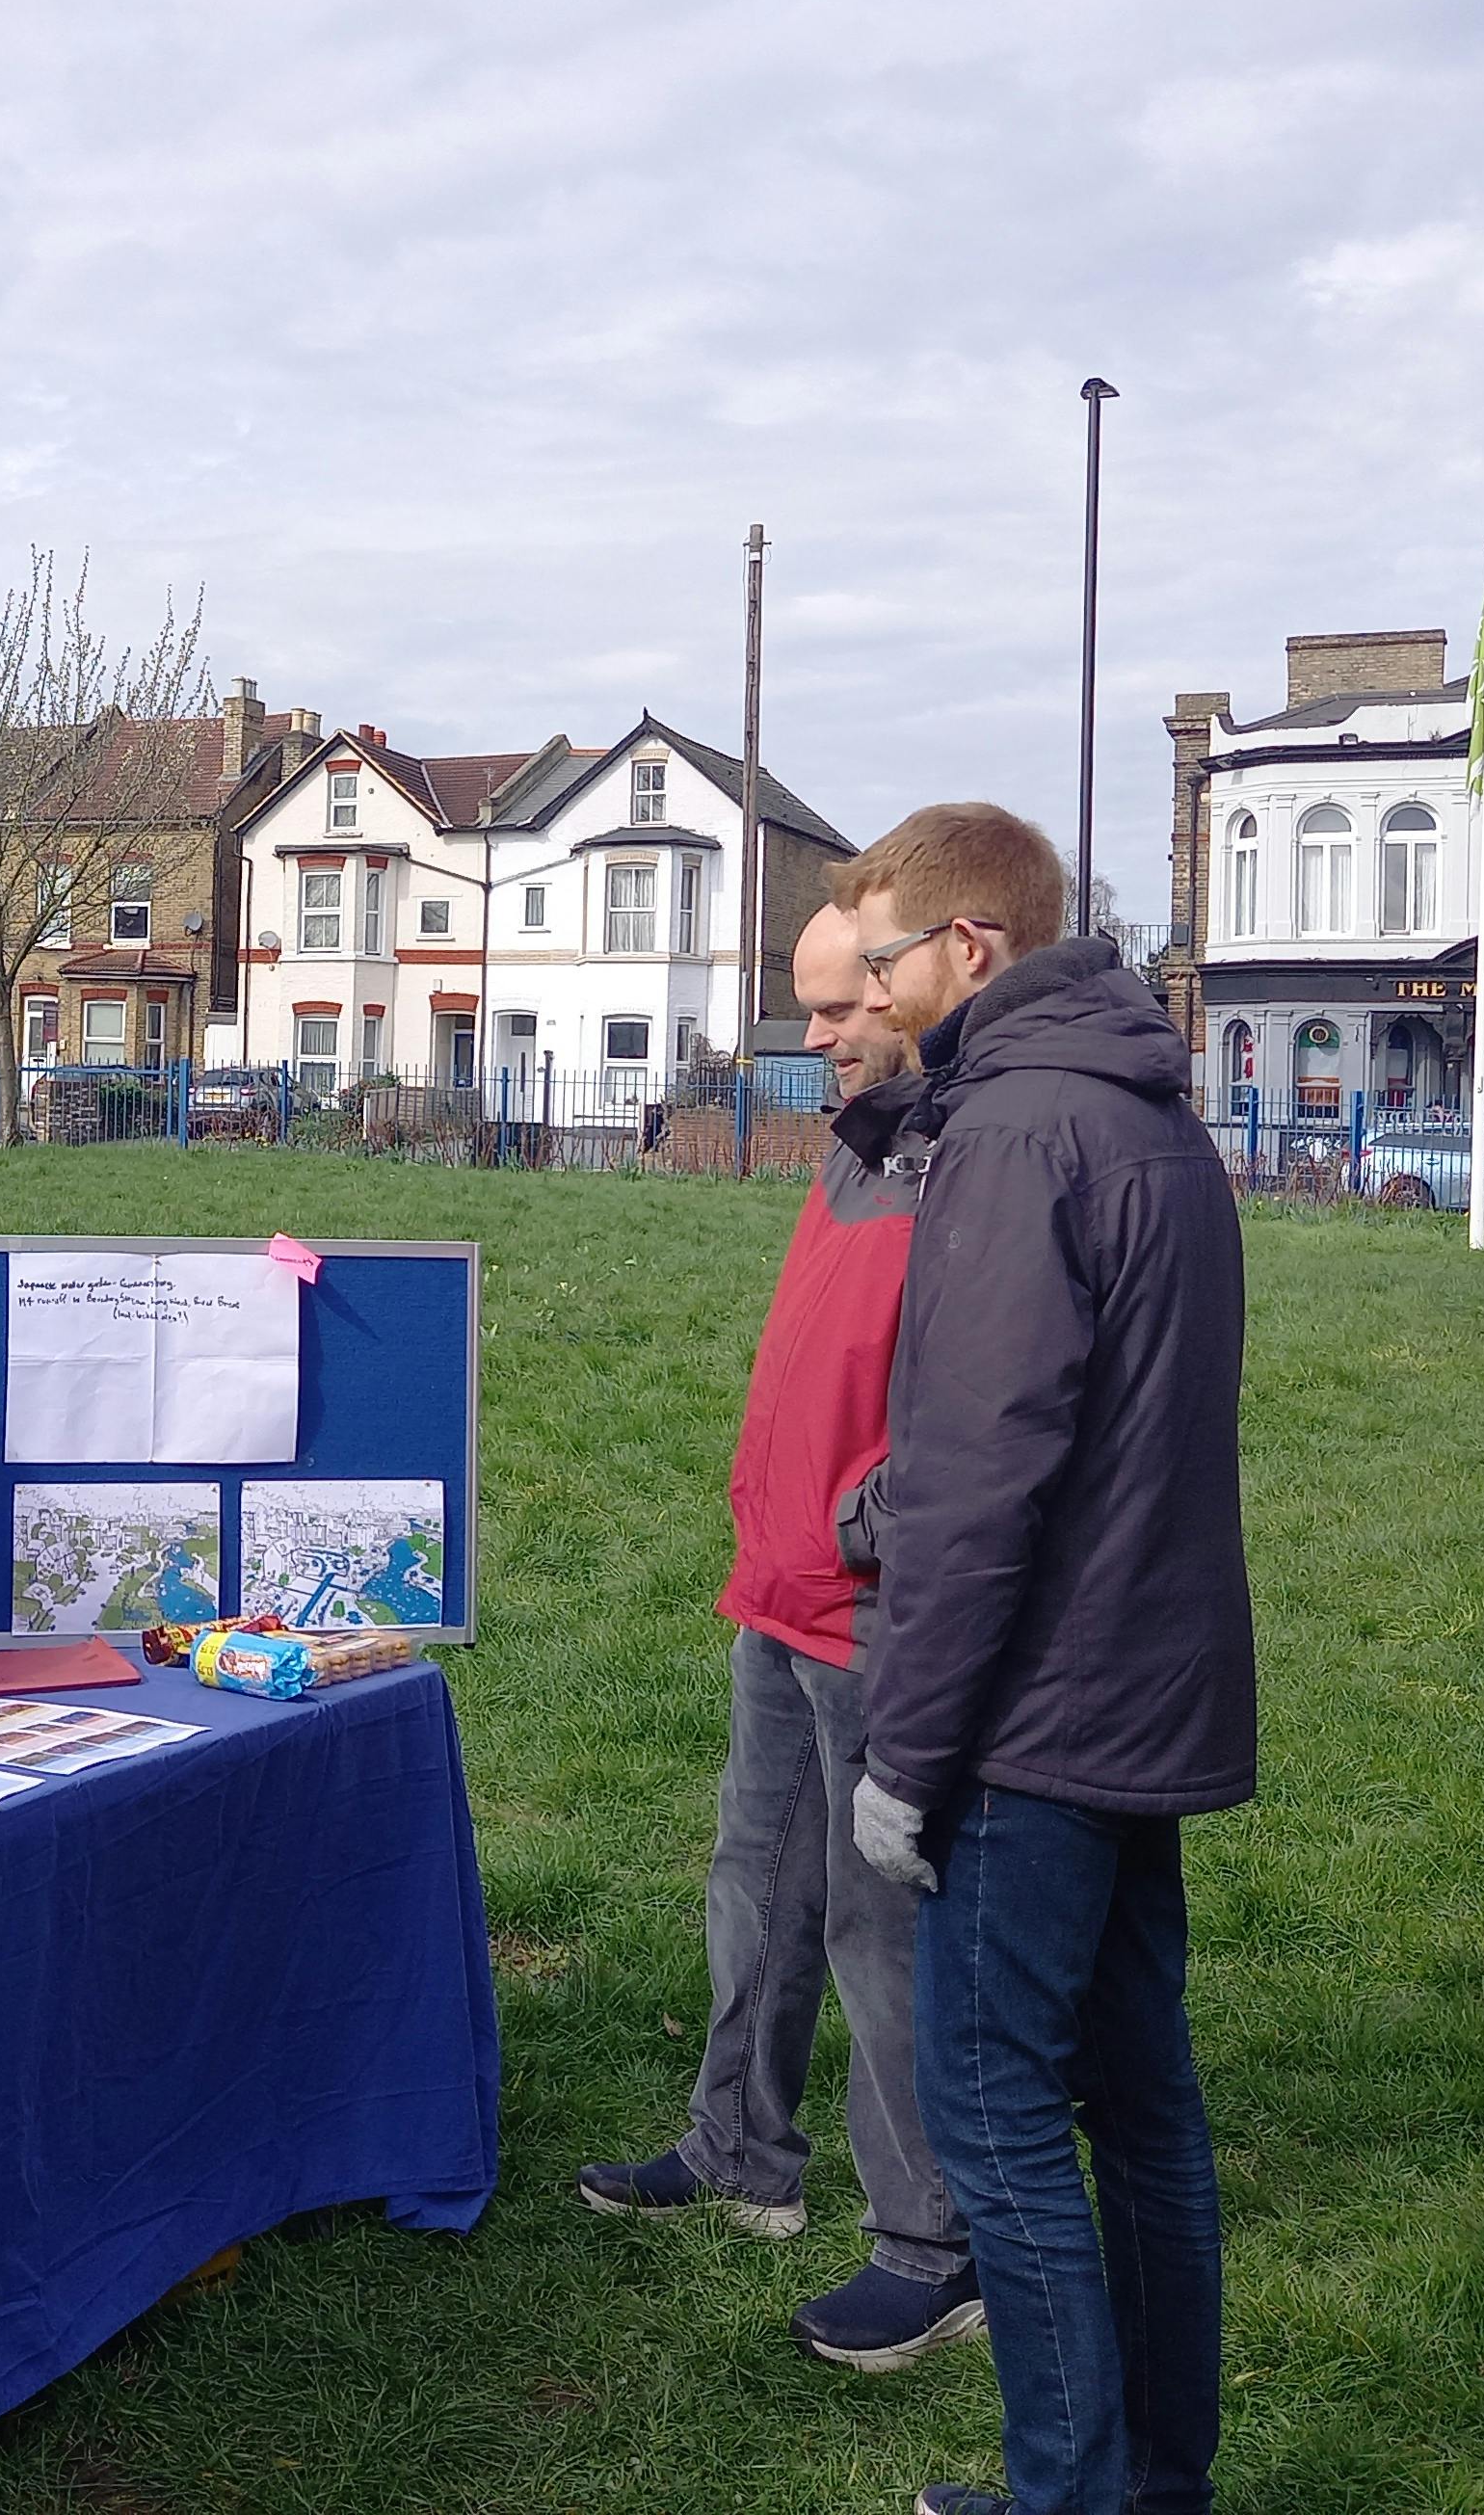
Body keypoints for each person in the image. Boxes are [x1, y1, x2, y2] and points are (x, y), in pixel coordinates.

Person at [832, 804, 1255, 2515]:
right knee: (1143, 2106)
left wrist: (909, 1761)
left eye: (882, 961)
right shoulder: (1147, 1113)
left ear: (971, 952)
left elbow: (987, 1468)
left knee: (994, 2114)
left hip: (1033, 1715)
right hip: (1139, 1683)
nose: (868, 988)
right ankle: (1153, 2482)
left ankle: (1071, 2495)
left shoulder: (1015, 1133)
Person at [575, 905, 983, 2372]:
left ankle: (934, 2243)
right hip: (780, 1587)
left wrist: (867, 1525)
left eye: (832, 1013)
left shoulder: (975, 1156)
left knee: (881, 1934)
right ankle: (739, 2149)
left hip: (876, 1612)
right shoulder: (859, 1145)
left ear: (915, 978)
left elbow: (986, 1398)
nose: (809, 1044)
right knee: (752, 1887)